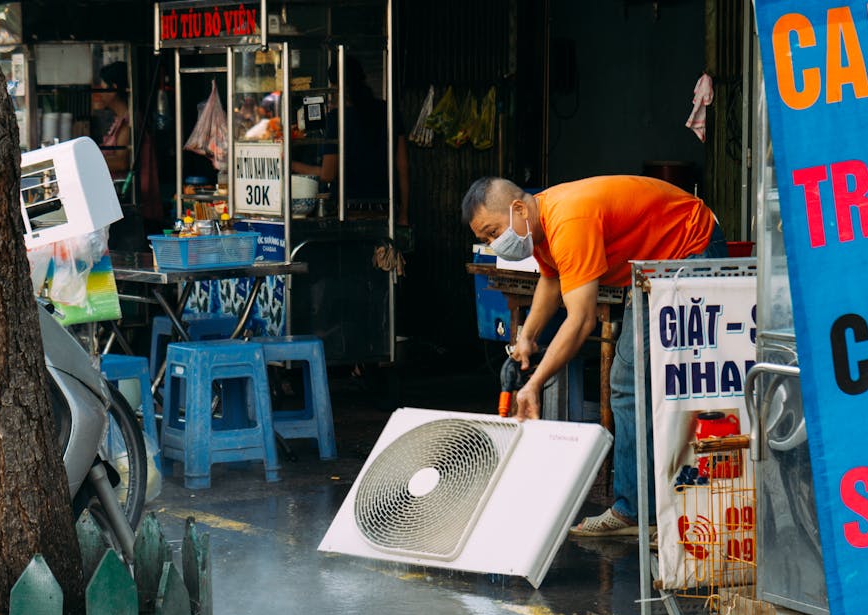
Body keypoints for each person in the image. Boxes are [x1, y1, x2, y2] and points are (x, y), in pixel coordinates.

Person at [461, 175, 728, 536]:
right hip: (656, 262)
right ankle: (648, 509)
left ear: (519, 208)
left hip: (689, 248)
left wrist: (534, 385)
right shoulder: (542, 224)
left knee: (630, 383)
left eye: (493, 232)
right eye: (487, 240)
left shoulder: (569, 220)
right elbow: (553, 280)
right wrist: (527, 336)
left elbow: (582, 319)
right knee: (634, 381)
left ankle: (637, 513)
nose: (495, 244)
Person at [292, 55, 410, 225]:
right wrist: (404, 214)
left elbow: (327, 174)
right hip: (386, 211)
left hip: (351, 211)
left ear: (335, 87)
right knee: (382, 251)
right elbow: (403, 167)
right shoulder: (388, 111)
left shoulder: (336, 118)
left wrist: (292, 165)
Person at [92, 61, 132, 181]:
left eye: (103, 88)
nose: (101, 94)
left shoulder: (127, 124)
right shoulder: (119, 121)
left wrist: (88, 163)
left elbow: (121, 162)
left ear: (113, 89)